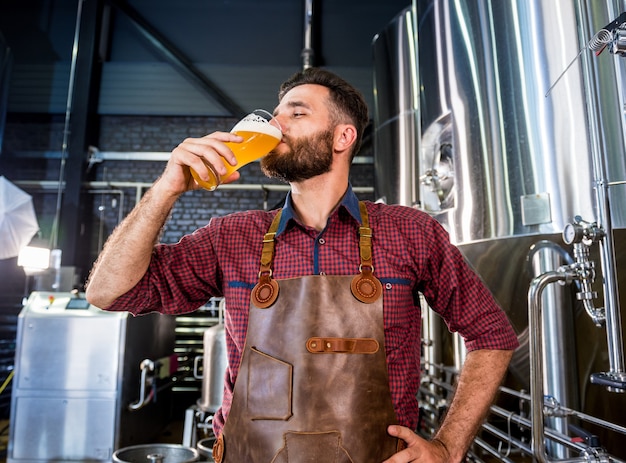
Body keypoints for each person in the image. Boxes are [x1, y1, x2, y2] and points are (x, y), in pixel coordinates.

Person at [86, 67, 519, 463]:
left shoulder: (410, 232)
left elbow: (492, 334)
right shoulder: (231, 237)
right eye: (275, 115)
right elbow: (108, 292)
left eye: (296, 113)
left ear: (342, 137)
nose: (276, 126)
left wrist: (448, 447)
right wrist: (167, 187)